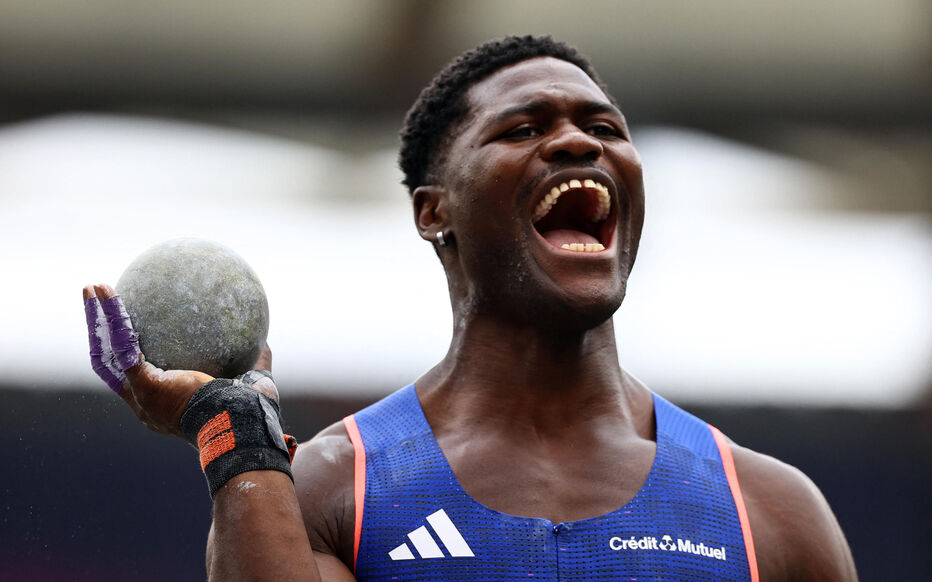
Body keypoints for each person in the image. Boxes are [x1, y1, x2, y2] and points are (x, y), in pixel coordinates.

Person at [83, 35, 857, 581]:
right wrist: (235, 437)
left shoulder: (771, 513)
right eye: (523, 129)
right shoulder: (335, 490)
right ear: (434, 212)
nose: (576, 143)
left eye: (603, 128)